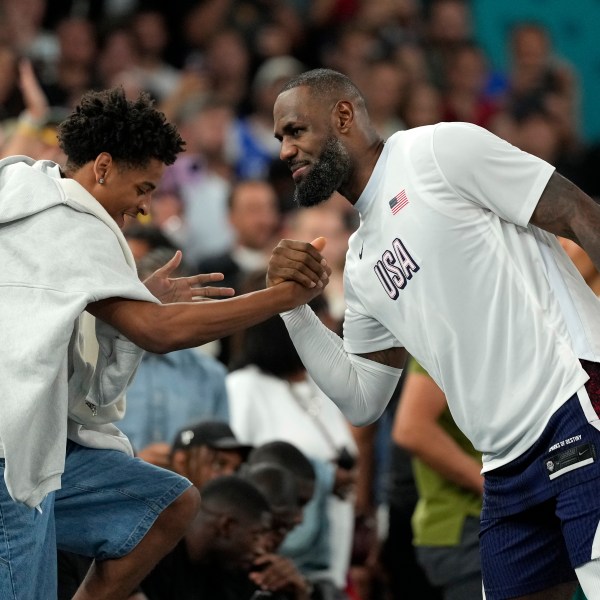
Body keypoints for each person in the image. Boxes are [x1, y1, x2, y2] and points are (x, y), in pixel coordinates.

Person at [268, 67, 600, 599]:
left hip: (574, 404)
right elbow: (361, 400)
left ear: (344, 116)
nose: (285, 150)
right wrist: (293, 309)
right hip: (503, 464)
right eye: (280, 138)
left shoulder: (439, 150)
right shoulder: (360, 261)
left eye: (294, 131)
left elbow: (582, 216)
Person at [0, 86, 329, 600]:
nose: (147, 207)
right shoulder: (78, 224)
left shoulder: (23, 185)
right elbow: (160, 332)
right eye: (144, 187)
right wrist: (279, 297)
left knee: (168, 504)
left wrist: (128, 299)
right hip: (7, 457)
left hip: (37, 449)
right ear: (103, 167)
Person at [393, 358, 483, 599]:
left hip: (490, 521)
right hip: (466, 524)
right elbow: (412, 429)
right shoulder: (446, 338)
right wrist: (497, 487)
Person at [140, 475, 275, 600]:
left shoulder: (223, 572)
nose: (260, 550)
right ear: (226, 526)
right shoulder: (151, 555)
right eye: (256, 536)